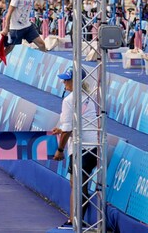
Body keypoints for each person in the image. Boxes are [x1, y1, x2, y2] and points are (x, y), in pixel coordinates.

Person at [51, 66, 97, 230]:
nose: (64, 82)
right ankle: (78, 219)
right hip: (94, 147)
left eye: (67, 79)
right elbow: (80, 121)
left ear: (76, 81)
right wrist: (61, 129)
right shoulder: (90, 97)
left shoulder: (69, 100)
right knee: (81, 183)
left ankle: (73, 221)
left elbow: (68, 129)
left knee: (75, 184)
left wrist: (60, 150)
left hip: (81, 148)